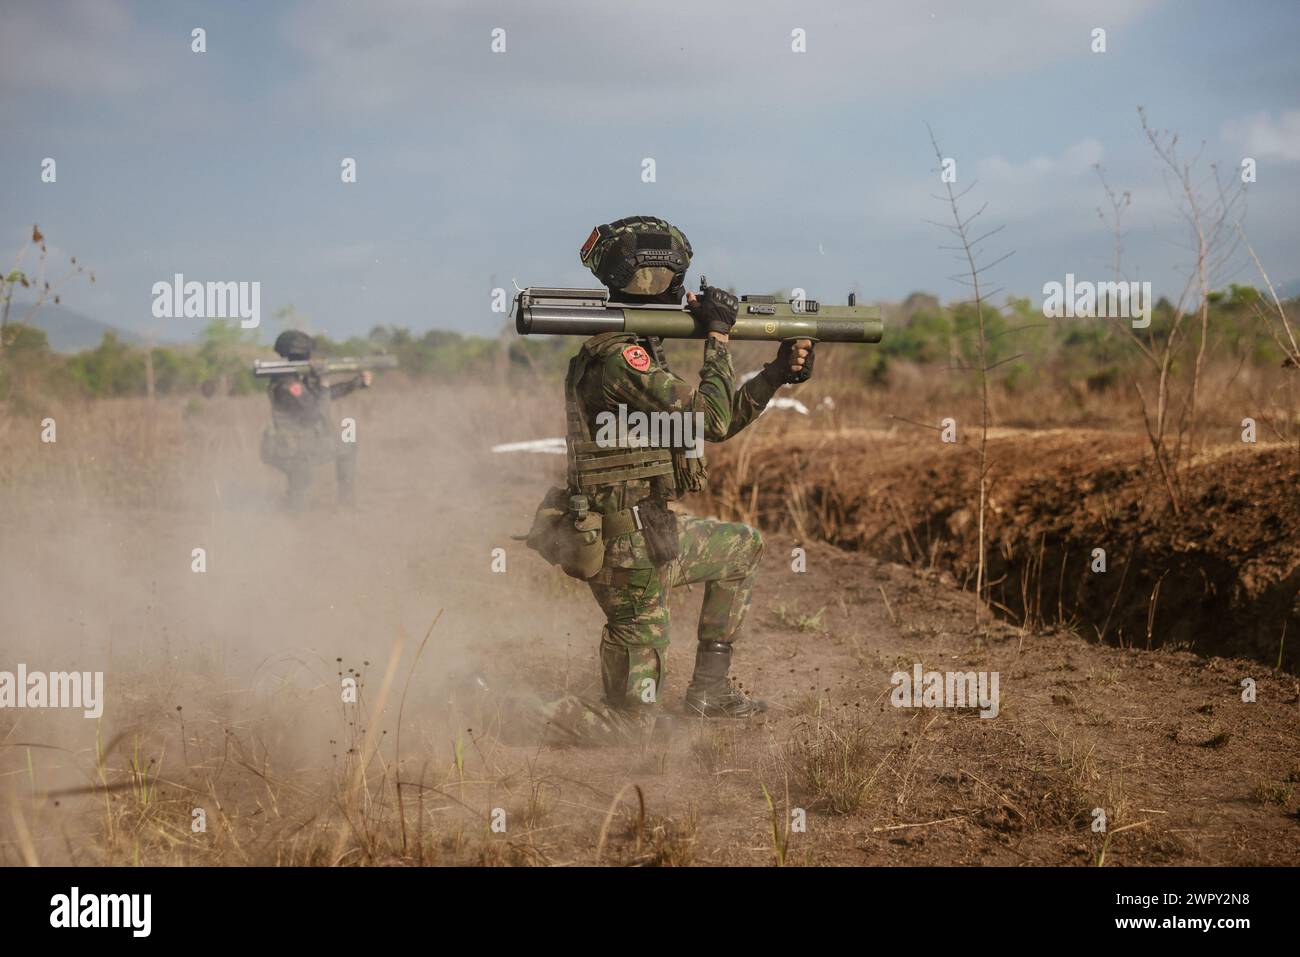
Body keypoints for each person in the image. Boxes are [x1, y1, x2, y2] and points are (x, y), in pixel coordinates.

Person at [561, 215, 812, 723]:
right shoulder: (620, 359)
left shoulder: (642, 353)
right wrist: (717, 340)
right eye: (677, 280)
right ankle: (502, 707)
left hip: (651, 535)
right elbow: (712, 419)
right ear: (659, 280)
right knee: (634, 727)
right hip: (624, 552)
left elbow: (711, 423)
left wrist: (776, 373)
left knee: (742, 547)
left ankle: (710, 693)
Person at [259, 329, 372, 510]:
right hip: (290, 449)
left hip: (301, 444)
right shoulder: (288, 384)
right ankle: (289, 517)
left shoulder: (296, 377)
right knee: (299, 495)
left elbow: (321, 396)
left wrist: (355, 383)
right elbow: (317, 410)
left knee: (347, 444)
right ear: (304, 353)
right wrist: (324, 381)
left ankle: (345, 504)